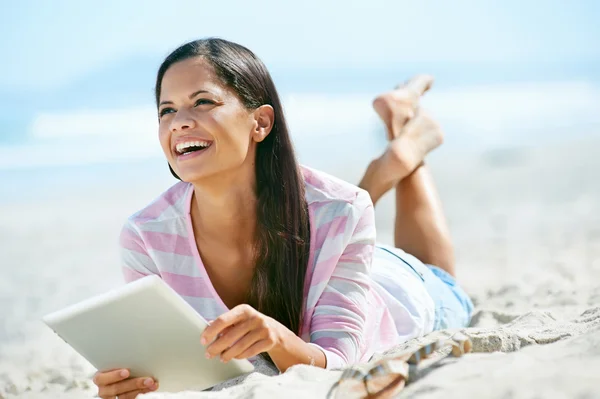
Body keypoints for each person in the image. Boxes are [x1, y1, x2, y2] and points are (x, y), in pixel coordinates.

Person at [93, 38, 473, 399]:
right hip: (332, 248)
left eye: (203, 101)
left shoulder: (344, 209)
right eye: (167, 109)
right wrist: (131, 382)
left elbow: (340, 365)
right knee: (334, 210)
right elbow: (172, 364)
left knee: (444, 279)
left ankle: (403, 148)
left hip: (399, 290)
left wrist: (275, 338)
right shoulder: (145, 236)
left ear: (260, 122)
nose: (179, 121)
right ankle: (391, 161)